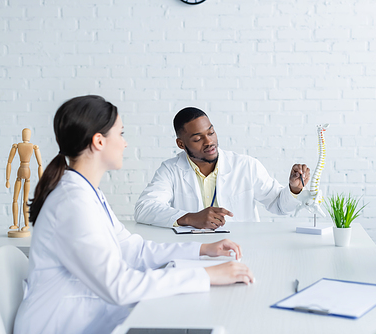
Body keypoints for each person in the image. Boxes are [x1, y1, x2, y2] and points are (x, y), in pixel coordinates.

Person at [14, 96, 254, 334]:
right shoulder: (72, 203)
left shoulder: (87, 193)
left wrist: (202, 250)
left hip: (89, 317)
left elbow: (134, 250)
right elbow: (119, 286)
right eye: (120, 134)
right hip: (60, 326)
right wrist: (205, 275)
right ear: (99, 141)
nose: (125, 143)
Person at [134, 107, 310, 229]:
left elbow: (280, 206)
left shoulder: (246, 166)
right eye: (197, 139)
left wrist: (294, 188)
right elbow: (144, 208)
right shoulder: (171, 170)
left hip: (241, 248)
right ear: (181, 144)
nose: (209, 142)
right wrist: (191, 218)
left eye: (211, 133)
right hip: (195, 250)